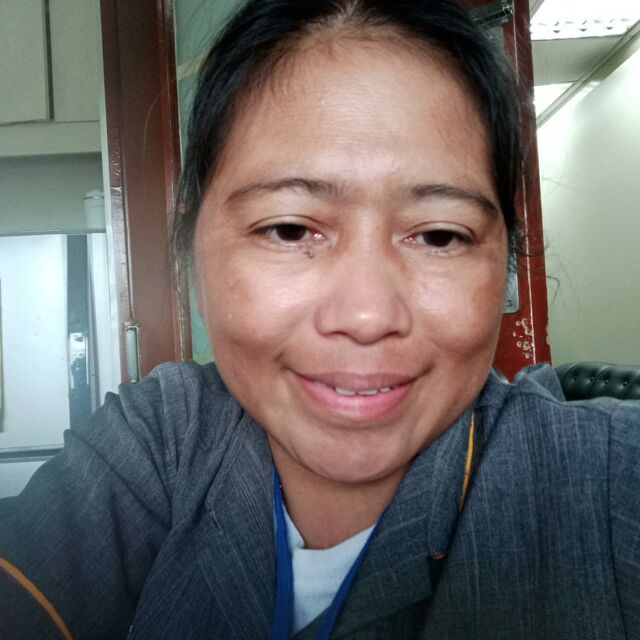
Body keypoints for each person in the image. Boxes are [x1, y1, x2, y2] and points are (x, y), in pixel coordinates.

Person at [1, 0, 639, 638]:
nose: (366, 315)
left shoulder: (608, 483)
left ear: (505, 260)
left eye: (440, 236)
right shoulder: (159, 443)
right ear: (194, 250)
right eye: (288, 229)